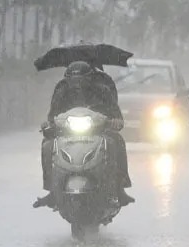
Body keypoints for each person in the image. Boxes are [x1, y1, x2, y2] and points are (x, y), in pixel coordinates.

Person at [33, 61, 135, 209]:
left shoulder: (103, 90)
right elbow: (52, 115)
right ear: (66, 79)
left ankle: (119, 188)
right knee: (47, 145)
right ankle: (52, 190)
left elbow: (116, 115)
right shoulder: (61, 90)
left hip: (98, 130)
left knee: (116, 141)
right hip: (67, 132)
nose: (77, 84)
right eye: (73, 80)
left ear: (90, 78)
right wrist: (48, 124)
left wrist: (114, 122)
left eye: (81, 80)